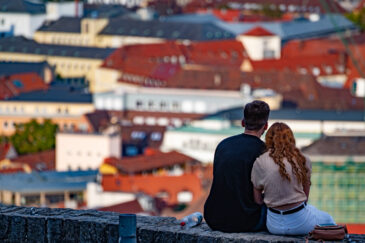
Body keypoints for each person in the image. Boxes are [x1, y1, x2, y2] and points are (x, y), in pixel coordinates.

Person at [251, 122, 335, 235]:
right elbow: (305, 198)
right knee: (328, 218)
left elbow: (258, 200)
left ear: (269, 139)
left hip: (273, 225)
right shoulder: (303, 159)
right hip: (301, 223)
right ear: (290, 138)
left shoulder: (260, 161)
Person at [204, 100, 270, 232]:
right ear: (266, 126)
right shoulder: (264, 151)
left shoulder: (223, 145)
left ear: (243, 122)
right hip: (247, 221)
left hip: (214, 217)